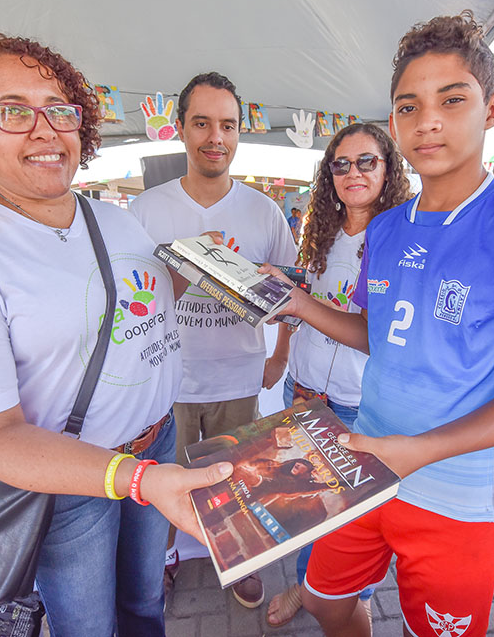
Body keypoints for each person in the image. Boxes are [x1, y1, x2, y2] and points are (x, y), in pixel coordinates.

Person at [262, 12, 494, 637]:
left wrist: (421, 453)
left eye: (452, 99)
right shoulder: (384, 228)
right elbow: (380, 336)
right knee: (325, 600)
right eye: (408, 107)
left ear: (493, 108)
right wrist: (300, 306)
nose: (427, 120)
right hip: (365, 464)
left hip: (456, 493)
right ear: (394, 122)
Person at [0, 35, 230, 636]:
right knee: (88, 627)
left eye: (59, 109)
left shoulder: (112, 217)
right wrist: (137, 480)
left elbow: (145, 299)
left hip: (157, 444)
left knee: (143, 605)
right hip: (73, 485)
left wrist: (210, 270)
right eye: (12, 110)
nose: (44, 130)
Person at [129, 72, 298, 609]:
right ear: (180, 129)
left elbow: (291, 292)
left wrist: (280, 355)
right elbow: (130, 301)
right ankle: (167, 558)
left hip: (238, 375)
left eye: (227, 125)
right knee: (165, 482)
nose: (215, 137)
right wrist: (191, 259)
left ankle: (239, 558)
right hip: (168, 380)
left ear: (239, 132)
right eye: (201, 123)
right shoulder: (146, 210)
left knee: (238, 481)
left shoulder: (263, 211)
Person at [265, 122, 412, 628]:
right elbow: (307, 302)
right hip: (303, 389)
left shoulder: (399, 237)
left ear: (389, 168)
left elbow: (375, 335)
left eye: (367, 161)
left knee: (344, 519)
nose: (353, 172)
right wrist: (282, 310)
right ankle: (311, 589)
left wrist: (302, 304)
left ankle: (350, 595)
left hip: (354, 400)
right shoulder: (321, 228)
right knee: (307, 505)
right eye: (341, 164)